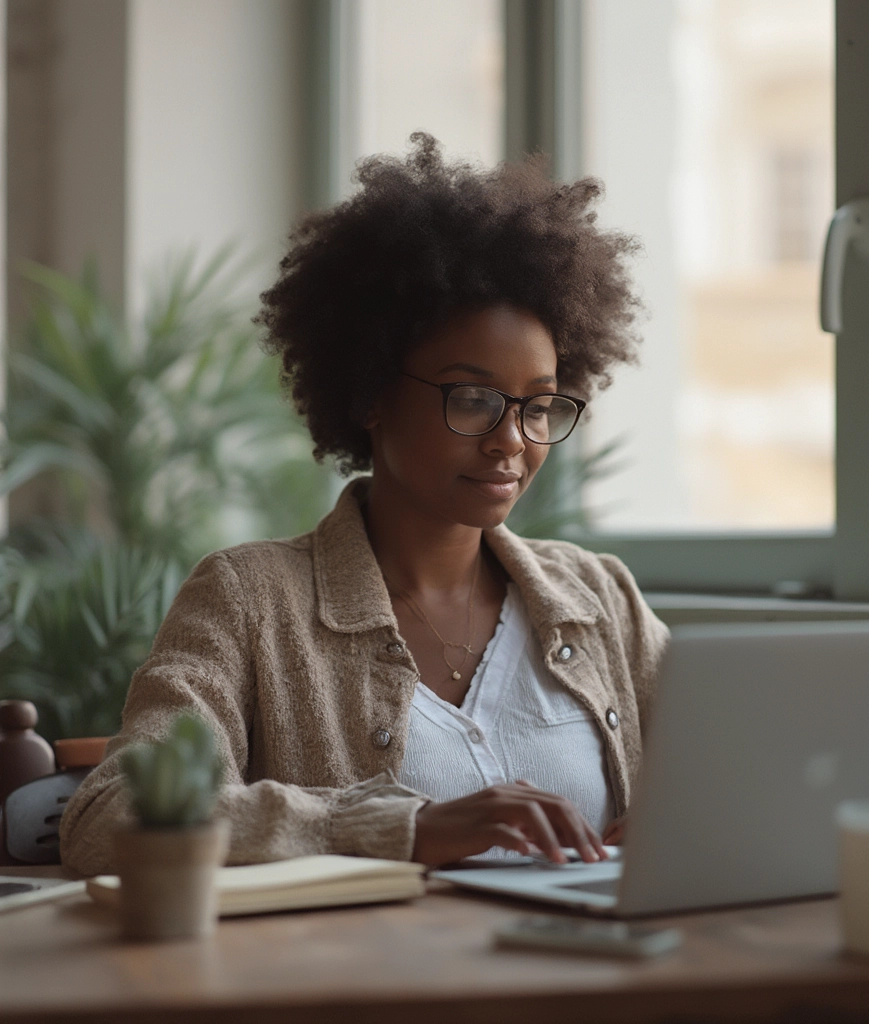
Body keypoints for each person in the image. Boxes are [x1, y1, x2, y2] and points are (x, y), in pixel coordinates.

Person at [60, 134, 670, 876]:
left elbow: (742, 780)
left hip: (581, 949)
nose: (512, 439)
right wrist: (397, 828)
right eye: (473, 399)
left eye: (538, 406)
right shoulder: (251, 602)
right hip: (375, 954)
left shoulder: (600, 599)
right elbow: (109, 819)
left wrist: (687, 821)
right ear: (371, 394)